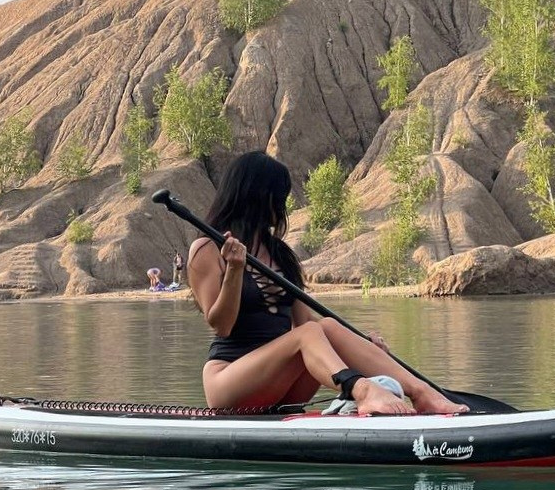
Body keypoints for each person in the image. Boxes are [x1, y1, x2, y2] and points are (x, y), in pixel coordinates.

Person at [186, 151, 468, 416]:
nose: (284, 205)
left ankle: (423, 393)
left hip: (280, 385)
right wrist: (235, 269)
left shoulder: (280, 253)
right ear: (258, 195)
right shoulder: (207, 249)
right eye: (279, 195)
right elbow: (221, 325)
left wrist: (362, 348)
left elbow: (306, 322)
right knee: (310, 333)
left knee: (327, 327)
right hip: (229, 383)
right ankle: (362, 390)